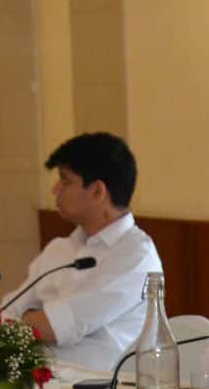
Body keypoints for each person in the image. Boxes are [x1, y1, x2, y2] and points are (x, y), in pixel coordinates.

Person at [9, 131, 163, 375]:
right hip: (39, 377)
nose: (54, 190)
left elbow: (54, 328)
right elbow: (7, 313)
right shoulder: (59, 248)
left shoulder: (135, 256)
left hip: (100, 387)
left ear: (97, 192)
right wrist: (31, 319)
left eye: (65, 181)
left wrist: (30, 317)